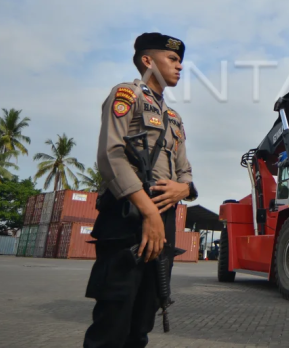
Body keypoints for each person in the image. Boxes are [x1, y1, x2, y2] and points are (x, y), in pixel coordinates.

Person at [83, 32, 199, 348]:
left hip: (163, 225)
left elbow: (186, 173)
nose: (180, 67)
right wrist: (148, 211)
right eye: (173, 59)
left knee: (143, 320)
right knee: (114, 318)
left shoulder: (174, 118)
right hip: (128, 219)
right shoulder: (126, 96)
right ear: (148, 61)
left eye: (180, 61)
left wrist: (183, 189)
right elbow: (111, 154)